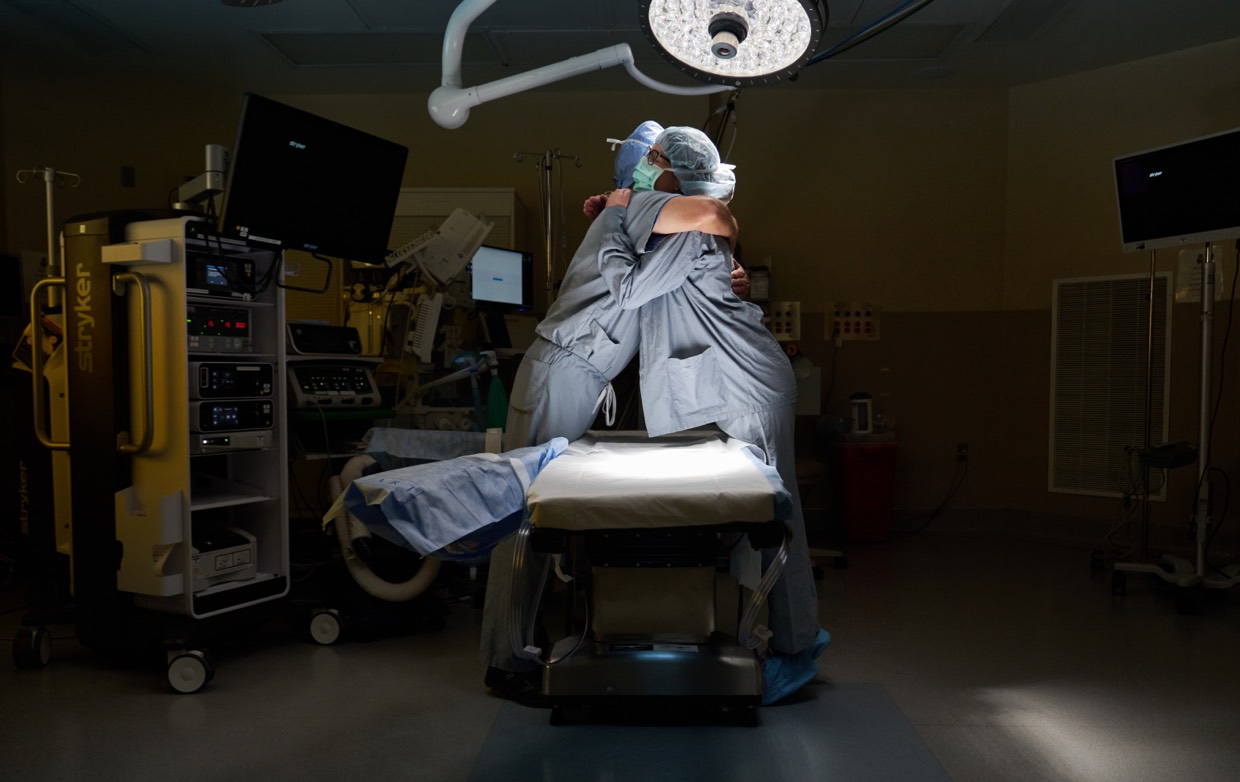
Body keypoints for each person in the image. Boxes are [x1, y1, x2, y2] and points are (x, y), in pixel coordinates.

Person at [480, 121, 746, 705]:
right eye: (649, 158)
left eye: (660, 158)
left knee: (542, 513)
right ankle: (505, 661)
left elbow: (698, 242)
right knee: (525, 515)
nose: (653, 167)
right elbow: (698, 228)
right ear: (643, 170)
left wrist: (728, 273)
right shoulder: (625, 212)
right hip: (559, 370)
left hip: (582, 375)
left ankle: (531, 635)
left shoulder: (644, 219)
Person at [597, 126, 828, 704]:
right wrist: (617, 210)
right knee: (766, 515)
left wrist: (609, 222)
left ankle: (795, 650)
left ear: (676, 169)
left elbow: (627, 291)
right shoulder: (690, 221)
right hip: (741, 382)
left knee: (777, 518)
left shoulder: (691, 226)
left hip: (751, 385)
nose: (648, 169)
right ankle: (774, 638)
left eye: (654, 159)